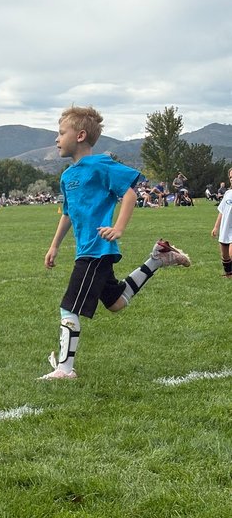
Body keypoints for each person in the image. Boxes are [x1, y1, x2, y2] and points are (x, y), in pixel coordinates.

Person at [40, 106, 191, 380]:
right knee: (116, 302)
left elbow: (130, 193)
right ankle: (157, 258)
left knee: (68, 307)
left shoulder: (101, 165)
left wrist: (118, 228)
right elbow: (67, 213)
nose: (56, 139)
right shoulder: (66, 177)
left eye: (61, 133)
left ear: (81, 135)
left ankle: (64, 369)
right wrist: (54, 245)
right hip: (85, 251)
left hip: (97, 250)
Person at [211, 169, 232, 278]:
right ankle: (228, 274)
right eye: (231, 177)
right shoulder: (228, 193)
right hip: (225, 228)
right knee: (225, 255)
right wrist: (215, 227)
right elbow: (222, 211)